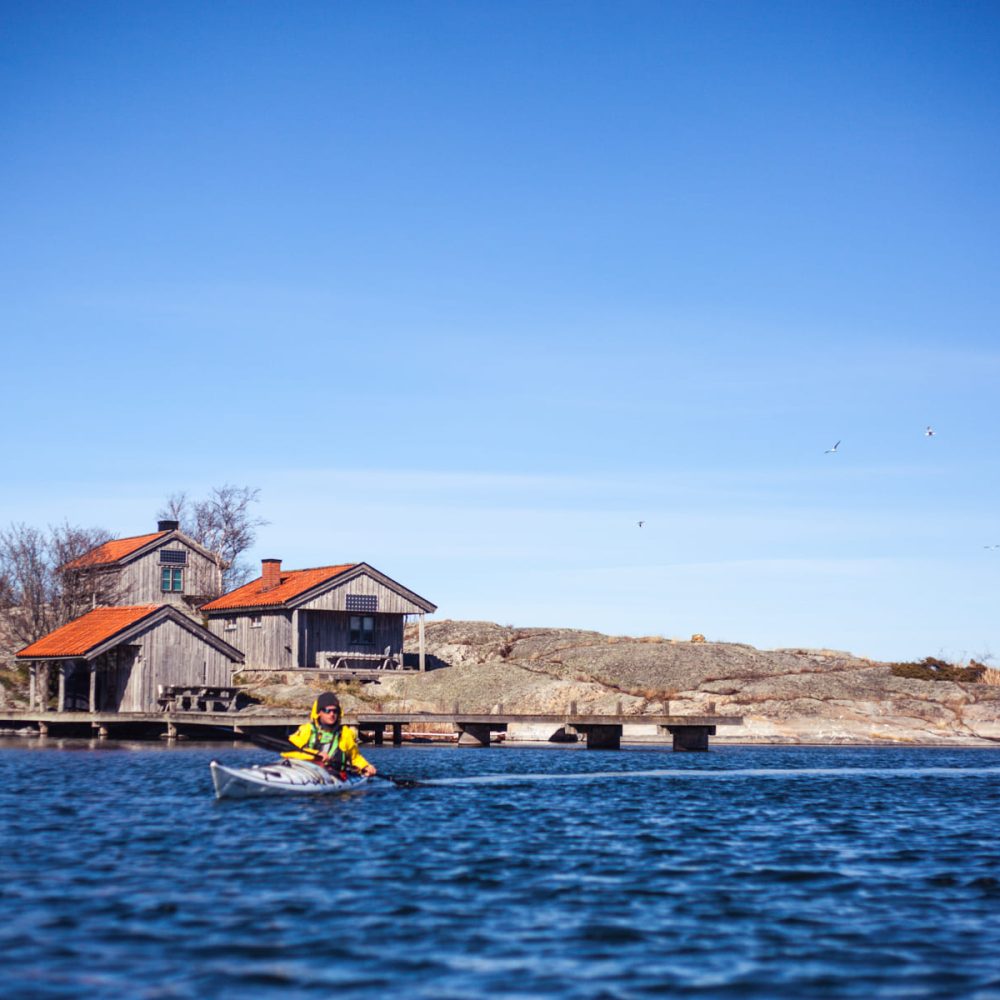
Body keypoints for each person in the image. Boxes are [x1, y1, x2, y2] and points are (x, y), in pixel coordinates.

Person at [283, 692, 377, 777]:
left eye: (335, 711)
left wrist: (365, 766)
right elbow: (288, 751)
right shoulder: (306, 730)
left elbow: (355, 758)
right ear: (319, 712)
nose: (332, 714)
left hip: (334, 775)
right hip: (305, 772)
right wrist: (315, 755)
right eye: (327, 711)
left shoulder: (345, 734)